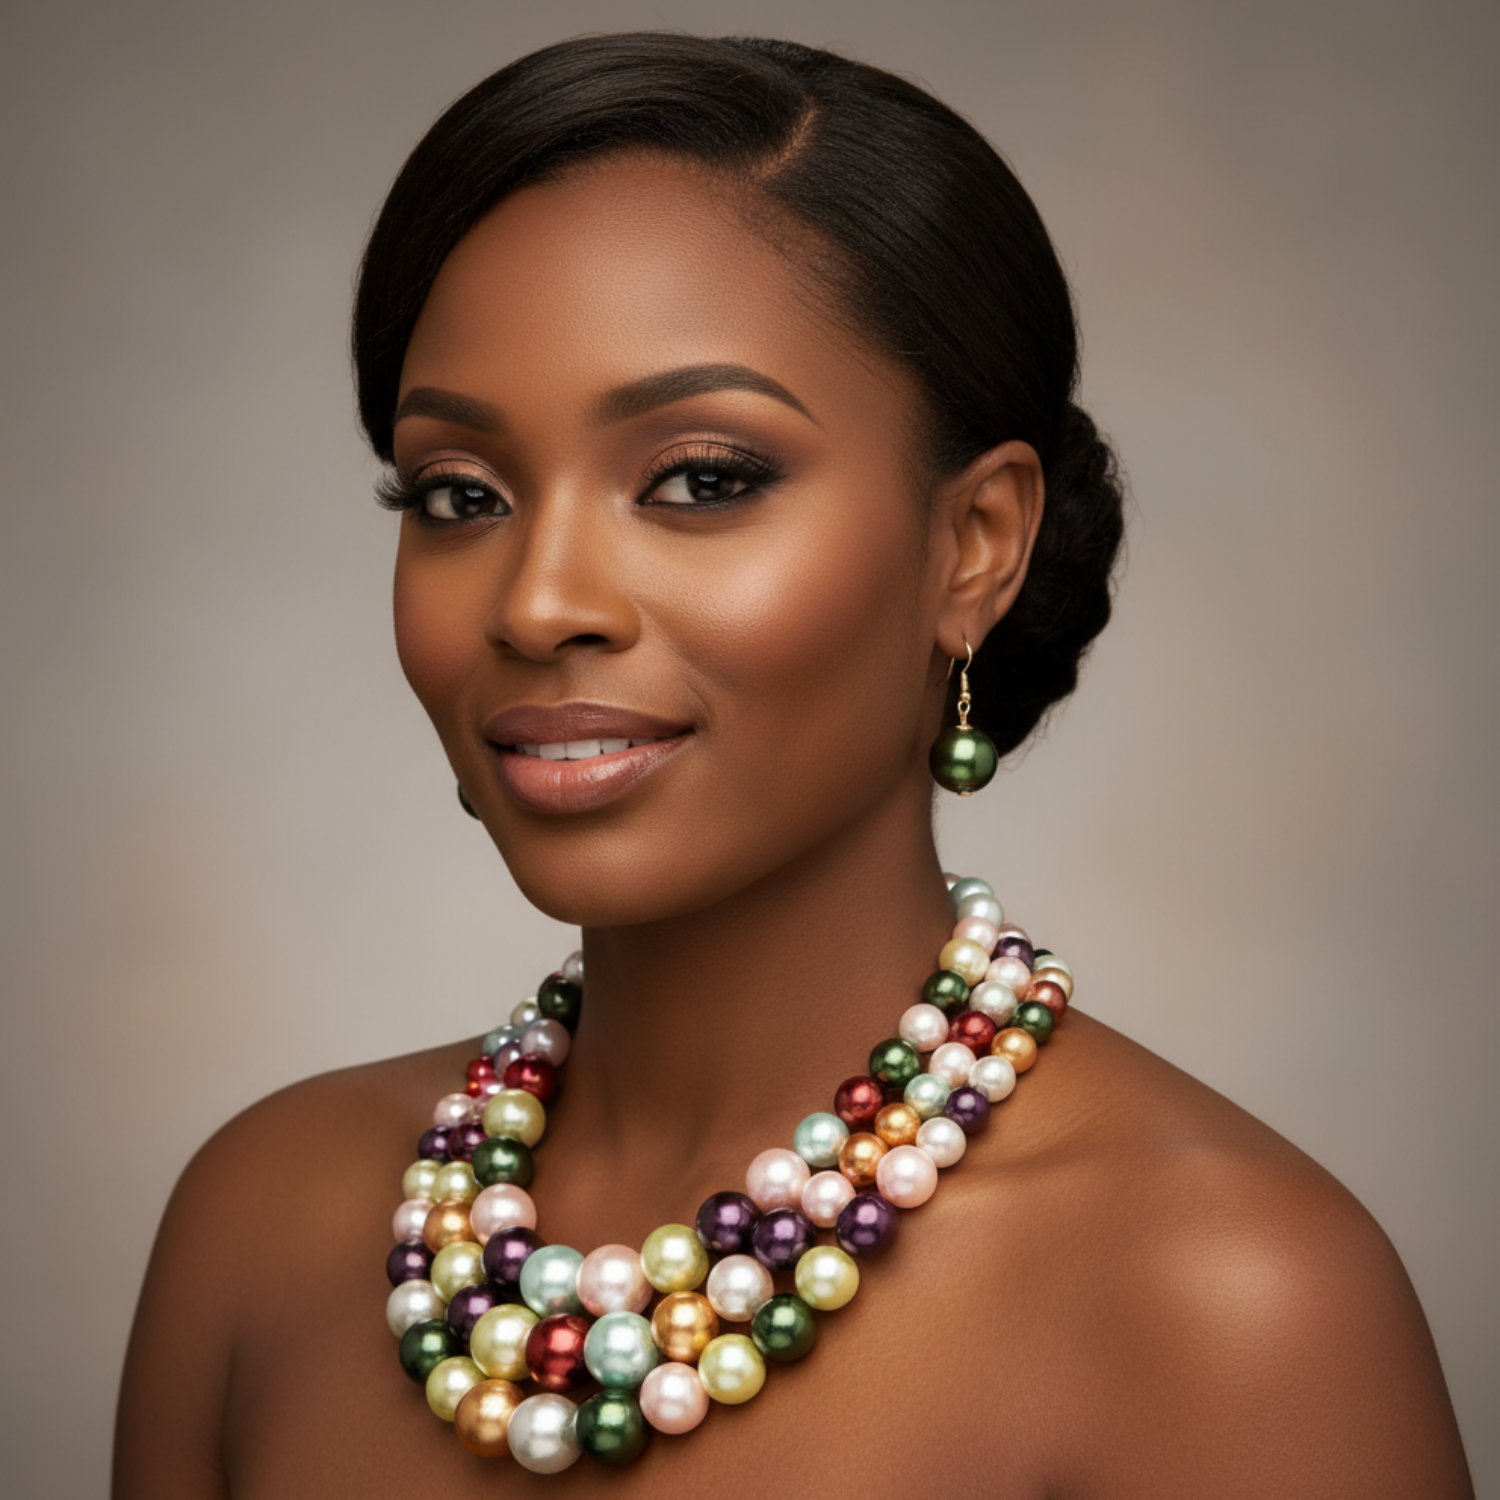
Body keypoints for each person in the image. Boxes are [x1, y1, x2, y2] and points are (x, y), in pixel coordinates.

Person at [112, 32, 1471, 1498]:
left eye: (702, 479)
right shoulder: (265, 1224)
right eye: (461, 494)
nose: (537, 602)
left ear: (975, 546)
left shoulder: (1227, 1304)